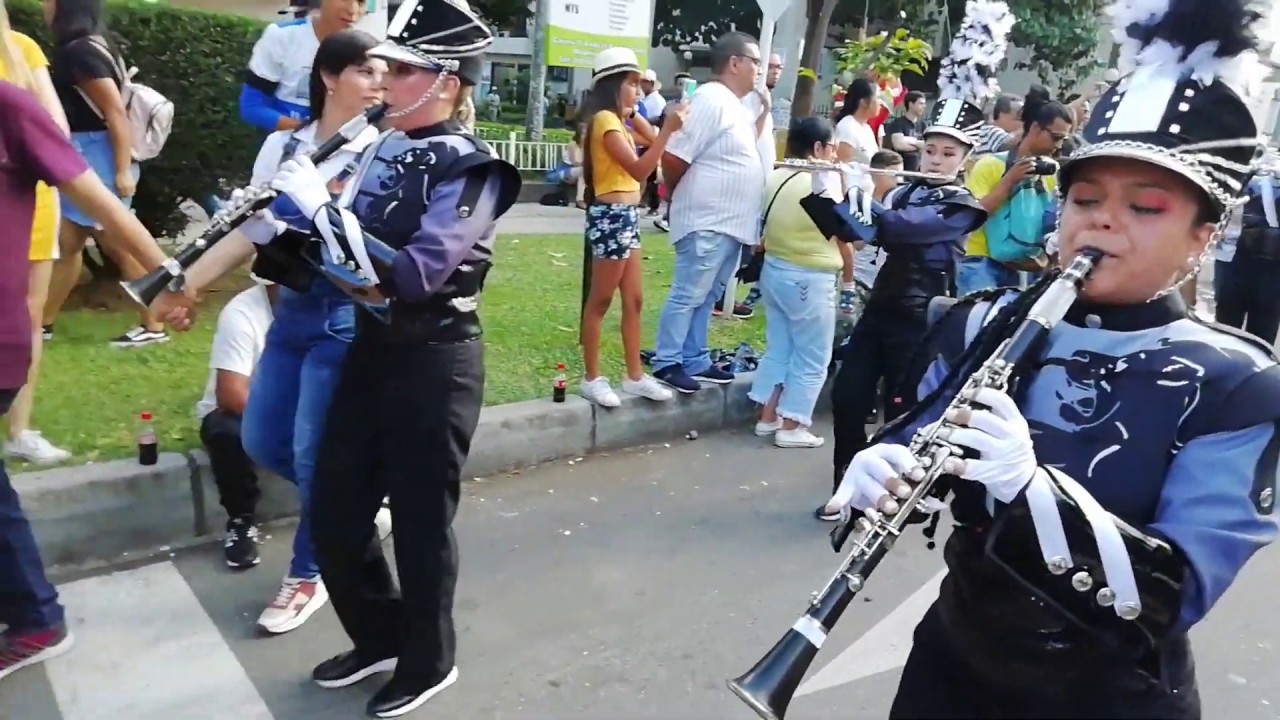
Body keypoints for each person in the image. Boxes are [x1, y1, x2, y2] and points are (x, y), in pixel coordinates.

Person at [825, 0, 1280, 716]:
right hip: (949, 672)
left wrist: (1035, 492)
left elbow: (1172, 595)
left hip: (1112, 697)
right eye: (1085, 196)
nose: (1101, 219)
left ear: (1203, 234)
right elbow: (924, 438)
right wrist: (882, 460)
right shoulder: (986, 320)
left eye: (1147, 206)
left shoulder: (1238, 383)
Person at [253, 0, 521, 714]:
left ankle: (430, 661)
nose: (385, 83)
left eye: (404, 71)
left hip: (435, 361)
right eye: (386, 68)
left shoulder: (479, 170)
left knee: (421, 521)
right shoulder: (376, 147)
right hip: (369, 350)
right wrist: (274, 234)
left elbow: (411, 276)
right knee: (335, 507)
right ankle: (379, 634)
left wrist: (322, 214)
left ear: (449, 83)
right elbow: (329, 264)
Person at [158, 30, 388, 635]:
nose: (378, 83)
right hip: (286, 315)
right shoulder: (282, 146)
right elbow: (247, 229)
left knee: (314, 456)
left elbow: (361, 252)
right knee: (262, 441)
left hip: (342, 318)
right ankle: (357, 501)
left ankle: (307, 575)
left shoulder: (377, 149)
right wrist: (191, 284)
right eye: (367, 71)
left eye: (383, 73)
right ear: (330, 77)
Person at [0, 78, 171, 683]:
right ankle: (33, 616)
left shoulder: (10, 107)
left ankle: (36, 618)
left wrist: (166, 277)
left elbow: (100, 201)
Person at [808, 1, 1002, 521]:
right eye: (931, 151)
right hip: (881, 309)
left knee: (903, 410)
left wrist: (866, 199)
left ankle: (902, 495)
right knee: (848, 400)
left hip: (921, 317)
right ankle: (845, 492)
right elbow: (866, 232)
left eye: (946, 154)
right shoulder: (907, 194)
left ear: (964, 160)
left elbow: (903, 231)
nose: (935, 160)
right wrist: (827, 191)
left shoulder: (961, 207)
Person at [40, 0, 167, 348]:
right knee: (68, 243)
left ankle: (155, 323)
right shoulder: (94, 43)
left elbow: (115, 113)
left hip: (98, 154)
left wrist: (123, 169)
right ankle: (43, 322)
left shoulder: (79, 51)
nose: (42, 5)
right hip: (91, 152)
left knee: (119, 246)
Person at [654, 31, 765, 394]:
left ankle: (695, 357)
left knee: (707, 294)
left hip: (731, 222)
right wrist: (677, 194)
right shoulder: (710, 100)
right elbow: (674, 156)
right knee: (689, 292)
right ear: (735, 63)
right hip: (707, 218)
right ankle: (668, 360)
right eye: (756, 62)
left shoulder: (735, 105)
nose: (759, 71)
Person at [576, 47, 681, 408]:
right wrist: (667, 129)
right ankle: (592, 377)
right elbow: (640, 168)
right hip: (610, 216)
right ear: (614, 84)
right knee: (600, 300)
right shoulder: (604, 121)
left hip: (626, 217)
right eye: (632, 84)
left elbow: (650, 142)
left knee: (633, 299)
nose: (638, 90)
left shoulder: (617, 119)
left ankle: (635, 376)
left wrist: (638, 118)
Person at [0, 2, 72, 464]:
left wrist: (9, 46)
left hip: (33, 200)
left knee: (28, 318)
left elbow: (56, 129)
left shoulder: (22, 49)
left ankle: (20, 430)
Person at [749, 117, 843, 449]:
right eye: (831, 147)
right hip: (810, 276)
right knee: (812, 355)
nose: (834, 155)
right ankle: (792, 424)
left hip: (775, 270)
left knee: (781, 346)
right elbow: (848, 233)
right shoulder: (823, 184)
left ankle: (768, 415)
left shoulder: (776, 176)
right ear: (817, 148)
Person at [957, 85, 1073, 295]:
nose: (1059, 146)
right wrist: (1009, 180)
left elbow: (1052, 224)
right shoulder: (990, 165)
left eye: (1063, 140)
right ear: (1036, 128)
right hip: (981, 262)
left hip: (1026, 268)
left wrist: (1044, 261)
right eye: (1056, 137)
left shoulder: (1049, 172)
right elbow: (971, 214)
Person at [195, 279, 276, 570]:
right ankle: (241, 520)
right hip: (245, 410)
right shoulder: (242, 312)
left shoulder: (326, 308)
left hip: (300, 406)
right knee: (226, 431)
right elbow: (231, 394)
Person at [240, 0, 368, 133]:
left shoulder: (366, 51)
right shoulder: (283, 35)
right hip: (285, 147)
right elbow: (252, 107)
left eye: (361, 2)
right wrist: (308, 133)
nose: (353, 10)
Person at [1214, 156, 1280, 343]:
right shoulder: (1251, 174)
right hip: (1248, 260)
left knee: (1229, 326)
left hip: (1234, 258)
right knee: (1258, 331)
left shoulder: (1241, 173)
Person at [883, 90, 926, 172]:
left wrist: (909, 141)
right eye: (920, 103)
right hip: (902, 171)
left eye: (924, 104)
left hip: (919, 171)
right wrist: (918, 144)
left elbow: (926, 146)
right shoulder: (898, 123)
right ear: (910, 104)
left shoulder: (923, 125)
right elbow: (899, 145)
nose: (924, 106)